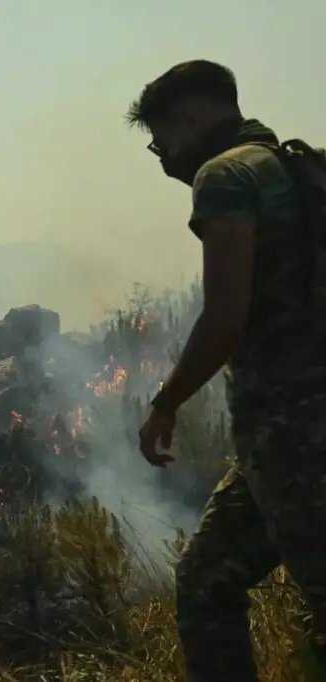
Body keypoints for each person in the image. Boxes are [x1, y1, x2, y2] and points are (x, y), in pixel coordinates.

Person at [129, 60, 326, 680]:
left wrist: (167, 400)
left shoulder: (226, 176)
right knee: (208, 576)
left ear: (192, 119)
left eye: (162, 141)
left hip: (292, 435)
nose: (163, 159)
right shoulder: (302, 166)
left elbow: (224, 312)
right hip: (279, 442)